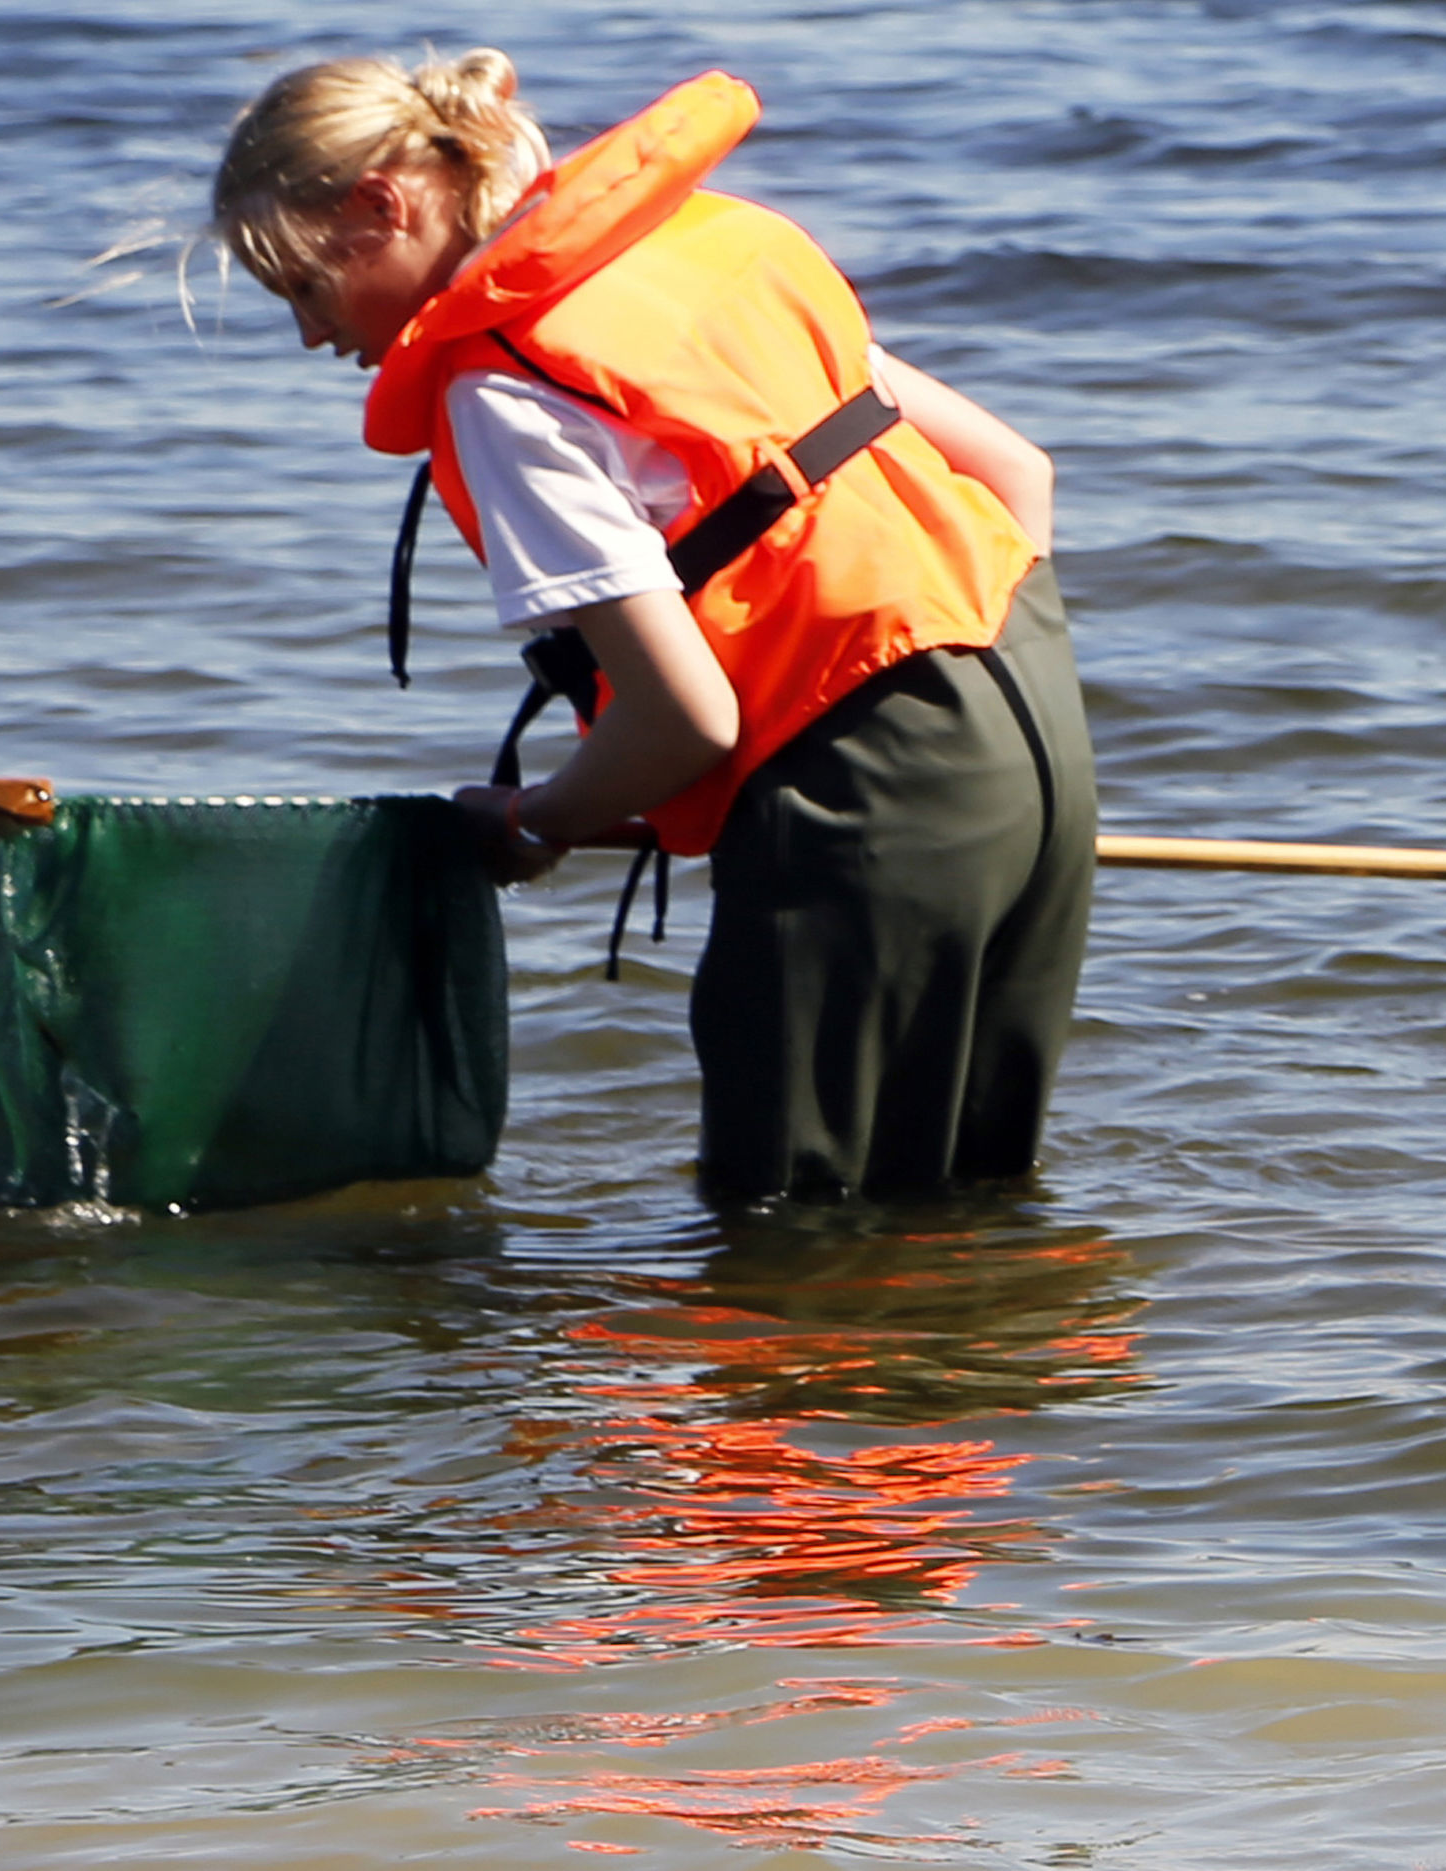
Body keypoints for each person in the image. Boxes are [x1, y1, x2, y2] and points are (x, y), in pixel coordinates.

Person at [209, 50, 1094, 1203]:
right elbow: (1015, 477)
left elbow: (686, 719)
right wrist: (958, 720)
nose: (313, 339)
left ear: (385, 207)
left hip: (862, 789)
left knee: (785, 1235)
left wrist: (536, 818)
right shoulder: (710, 243)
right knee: (969, 1202)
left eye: (305, 290)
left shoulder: (503, 385)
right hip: (1031, 720)